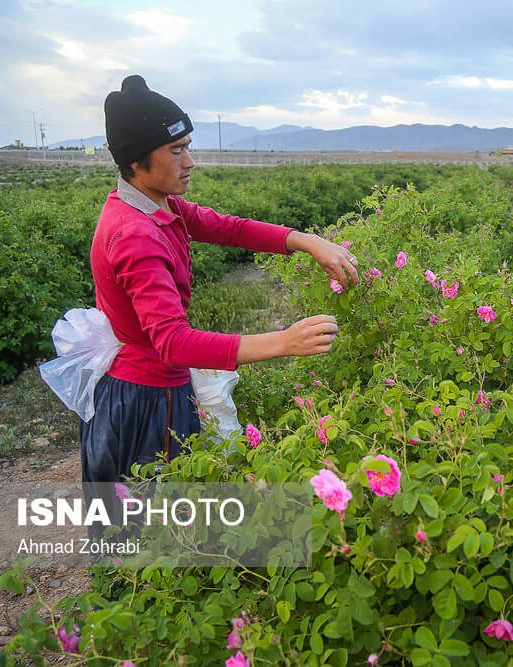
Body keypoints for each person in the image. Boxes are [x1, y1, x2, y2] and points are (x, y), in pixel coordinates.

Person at [83, 75, 359, 500]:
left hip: (156, 387)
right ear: (136, 162)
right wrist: (284, 342)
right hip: (144, 399)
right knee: (148, 531)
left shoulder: (158, 204)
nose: (189, 162)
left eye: (187, 148)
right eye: (176, 151)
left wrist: (305, 240)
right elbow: (173, 342)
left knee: (169, 523)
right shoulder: (135, 234)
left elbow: (227, 228)